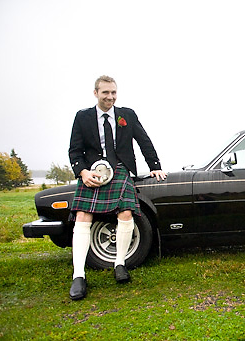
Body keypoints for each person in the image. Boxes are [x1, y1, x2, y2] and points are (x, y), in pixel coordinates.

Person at [68, 75, 167, 300]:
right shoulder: (82, 117)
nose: (110, 97)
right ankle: (79, 276)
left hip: (120, 168)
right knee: (82, 216)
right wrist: (83, 172)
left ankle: (120, 264)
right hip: (92, 171)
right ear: (96, 93)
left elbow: (144, 140)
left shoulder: (127, 115)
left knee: (126, 212)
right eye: (105, 93)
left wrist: (155, 166)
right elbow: (74, 151)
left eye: (113, 92)